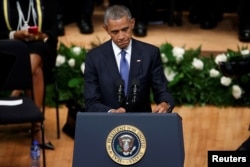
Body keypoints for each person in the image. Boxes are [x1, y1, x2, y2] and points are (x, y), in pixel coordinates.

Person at [84, 4, 174, 113]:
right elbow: (91, 102)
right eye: (115, 32)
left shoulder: (149, 53)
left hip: (141, 126)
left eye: (125, 29)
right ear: (106, 29)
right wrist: (111, 112)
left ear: (132, 23)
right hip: (107, 126)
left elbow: (162, 91)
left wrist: (165, 104)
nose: (121, 36)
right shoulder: (94, 58)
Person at [0, 0, 58, 150]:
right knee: (35, 71)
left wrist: (40, 35)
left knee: (37, 51)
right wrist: (14, 35)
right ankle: (37, 127)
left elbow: (54, 31)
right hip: (9, 50)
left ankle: (15, 92)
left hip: (41, 50)